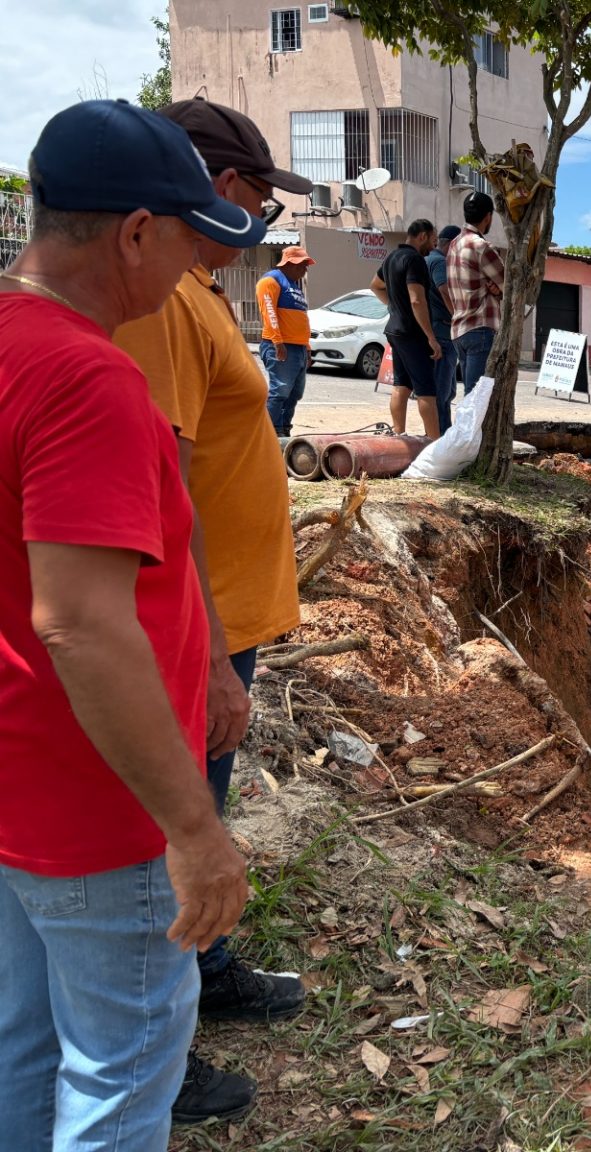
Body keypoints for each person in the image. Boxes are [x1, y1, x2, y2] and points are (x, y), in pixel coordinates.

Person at [0, 99, 255, 1151]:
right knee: (120, 1071)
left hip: (20, 789)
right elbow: (83, 626)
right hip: (100, 811)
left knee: (26, 1046)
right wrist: (193, 831)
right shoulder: (88, 378)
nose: (198, 265)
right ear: (135, 232)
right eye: (192, 240)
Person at [113, 97, 309, 1126]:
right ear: (216, 186)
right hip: (200, 629)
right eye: (259, 195)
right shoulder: (164, 307)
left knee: (208, 812)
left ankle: (209, 970)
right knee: (175, 832)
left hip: (226, 617)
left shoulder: (195, 292)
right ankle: (159, 1040)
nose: (265, 221)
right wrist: (215, 657)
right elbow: (164, 491)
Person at [372, 219, 443, 440]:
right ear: (422, 236)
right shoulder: (415, 260)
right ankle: (434, 444)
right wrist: (431, 337)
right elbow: (417, 300)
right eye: (433, 240)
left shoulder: (392, 257)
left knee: (401, 386)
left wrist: (393, 306)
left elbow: (375, 285)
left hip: (395, 331)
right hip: (413, 334)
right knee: (426, 391)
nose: (434, 246)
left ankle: (398, 435)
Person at [445, 191, 504, 393]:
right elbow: (509, 286)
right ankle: (470, 427)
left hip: (459, 329)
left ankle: (466, 426)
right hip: (480, 327)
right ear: (488, 216)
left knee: (470, 394)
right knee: (477, 397)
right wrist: (497, 293)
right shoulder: (481, 246)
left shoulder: (453, 244)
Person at [257, 245, 314, 435]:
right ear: (290, 263)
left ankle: (283, 430)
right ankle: (268, 432)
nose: (305, 269)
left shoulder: (294, 285)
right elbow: (269, 312)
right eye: (302, 265)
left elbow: (300, 318)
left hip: (297, 348)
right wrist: (277, 341)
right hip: (281, 346)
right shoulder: (271, 281)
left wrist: (306, 346)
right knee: (280, 391)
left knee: (294, 394)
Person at [426, 223, 460, 432]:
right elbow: (444, 291)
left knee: (444, 391)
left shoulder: (427, 259)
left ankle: (438, 433)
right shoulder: (439, 262)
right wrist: (458, 316)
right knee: (443, 392)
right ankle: (442, 436)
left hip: (436, 331)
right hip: (443, 333)